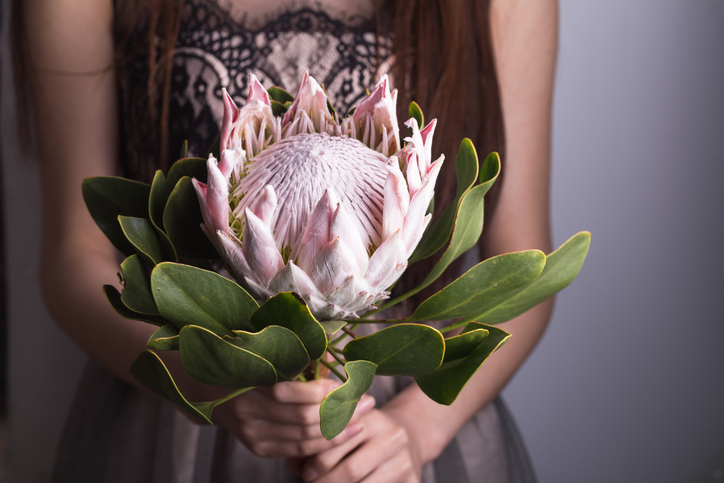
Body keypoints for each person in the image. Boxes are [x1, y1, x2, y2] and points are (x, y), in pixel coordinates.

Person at [17, 0, 557, 481]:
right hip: (179, 401)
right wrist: (207, 381)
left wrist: (416, 428)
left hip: (408, 424)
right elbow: (74, 257)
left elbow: (524, 275)